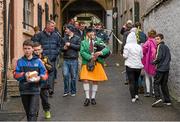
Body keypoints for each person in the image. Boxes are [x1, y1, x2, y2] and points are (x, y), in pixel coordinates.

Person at [13, 40, 47, 121]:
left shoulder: (38, 61)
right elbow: (15, 75)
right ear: (23, 49)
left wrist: (40, 78)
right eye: (25, 48)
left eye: (29, 48)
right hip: (24, 90)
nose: (27, 50)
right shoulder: (20, 61)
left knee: (32, 113)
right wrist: (24, 75)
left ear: (32, 50)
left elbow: (45, 74)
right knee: (28, 113)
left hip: (35, 90)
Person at [79, 28, 110, 106]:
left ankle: (93, 98)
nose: (92, 34)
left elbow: (107, 49)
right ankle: (87, 98)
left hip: (97, 63)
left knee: (95, 80)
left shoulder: (99, 40)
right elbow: (82, 52)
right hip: (86, 62)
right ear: (87, 34)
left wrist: (101, 52)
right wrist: (90, 57)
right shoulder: (83, 42)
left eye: (93, 32)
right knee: (85, 80)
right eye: (90, 32)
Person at [31, 20, 61, 96]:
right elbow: (34, 45)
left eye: (54, 26)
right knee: (42, 73)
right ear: (47, 26)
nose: (53, 28)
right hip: (42, 59)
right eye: (52, 26)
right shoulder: (39, 35)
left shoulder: (56, 35)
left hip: (52, 58)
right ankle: (43, 89)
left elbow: (59, 45)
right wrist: (40, 55)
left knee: (51, 74)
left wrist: (56, 53)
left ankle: (50, 90)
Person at [123, 28, 144, 103]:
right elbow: (141, 56)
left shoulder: (127, 46)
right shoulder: (139, 46)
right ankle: (136, 94)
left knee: (131, 81)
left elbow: (125, 56)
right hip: (138, 66)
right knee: (136, 80)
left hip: (130, 66)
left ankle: (133, 97)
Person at [33, 42, 53, 119]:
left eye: (38, 50)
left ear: (41, 50)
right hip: (34, 83)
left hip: (44, 83)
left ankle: (47, 110)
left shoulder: (45, 58)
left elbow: (51, 69)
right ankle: (34, 115)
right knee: (35, 101)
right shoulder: (31, 58)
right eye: (35, 50)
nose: (37, 52)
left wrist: (44, 63)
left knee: (45, 99)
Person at [152, 33, 171, 107]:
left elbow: (158, 57)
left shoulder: (159, 46)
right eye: (155, 39)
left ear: (162, 39)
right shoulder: (166, 47)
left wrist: (153, 62)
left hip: (160, 69)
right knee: (164, 84)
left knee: (156, 83)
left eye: (158, 39)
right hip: (166, 68)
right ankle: (167, 100)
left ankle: (158, 98)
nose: (156, 40)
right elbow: (169, 57)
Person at [61, 24, 81, 97]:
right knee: (65, 75)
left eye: (66, 29)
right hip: (65, 59)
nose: (65, 30)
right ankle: (66, 91)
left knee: (73, 77)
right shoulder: (64, 38)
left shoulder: (77, 38)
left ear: (70, 29)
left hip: (74, 60)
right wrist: (64, 48)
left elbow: (79, 47)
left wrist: (70, 45)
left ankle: (73, 91)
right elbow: (61, 49)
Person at [142, 29, 157, 97]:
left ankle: (148, 91)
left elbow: (143, 51)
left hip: (147, 61)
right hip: (154, 61)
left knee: (147, 76)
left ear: (148, 35)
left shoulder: (147, 42)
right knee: (154, 77)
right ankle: (154, 91)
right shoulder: (156, 42)